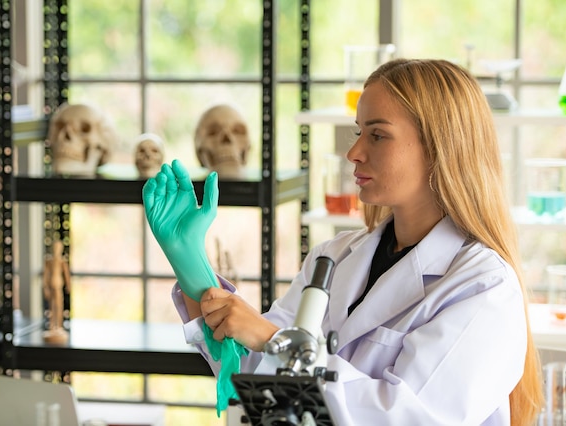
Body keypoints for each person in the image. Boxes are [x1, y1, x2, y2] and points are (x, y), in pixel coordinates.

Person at [142, 58, 544, 425]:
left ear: (440, 146)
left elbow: (409, 417)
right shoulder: (334, 257)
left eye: (378, 136)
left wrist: (274, 340)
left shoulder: (483, 288)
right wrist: (189, 260)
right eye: (358, 133)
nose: (353, 152)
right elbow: (251, 373)